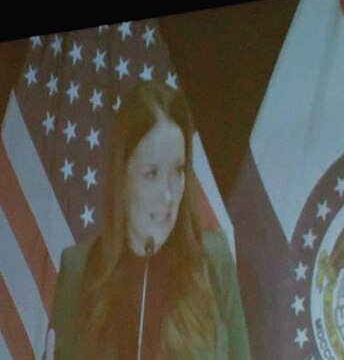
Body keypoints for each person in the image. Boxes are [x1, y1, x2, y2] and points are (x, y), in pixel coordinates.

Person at [48, 81, 250, 359]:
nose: (167, 195)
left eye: (177, 171)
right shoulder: (79, 269)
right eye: (151, 173)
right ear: (122, 178)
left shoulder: (213, 261)